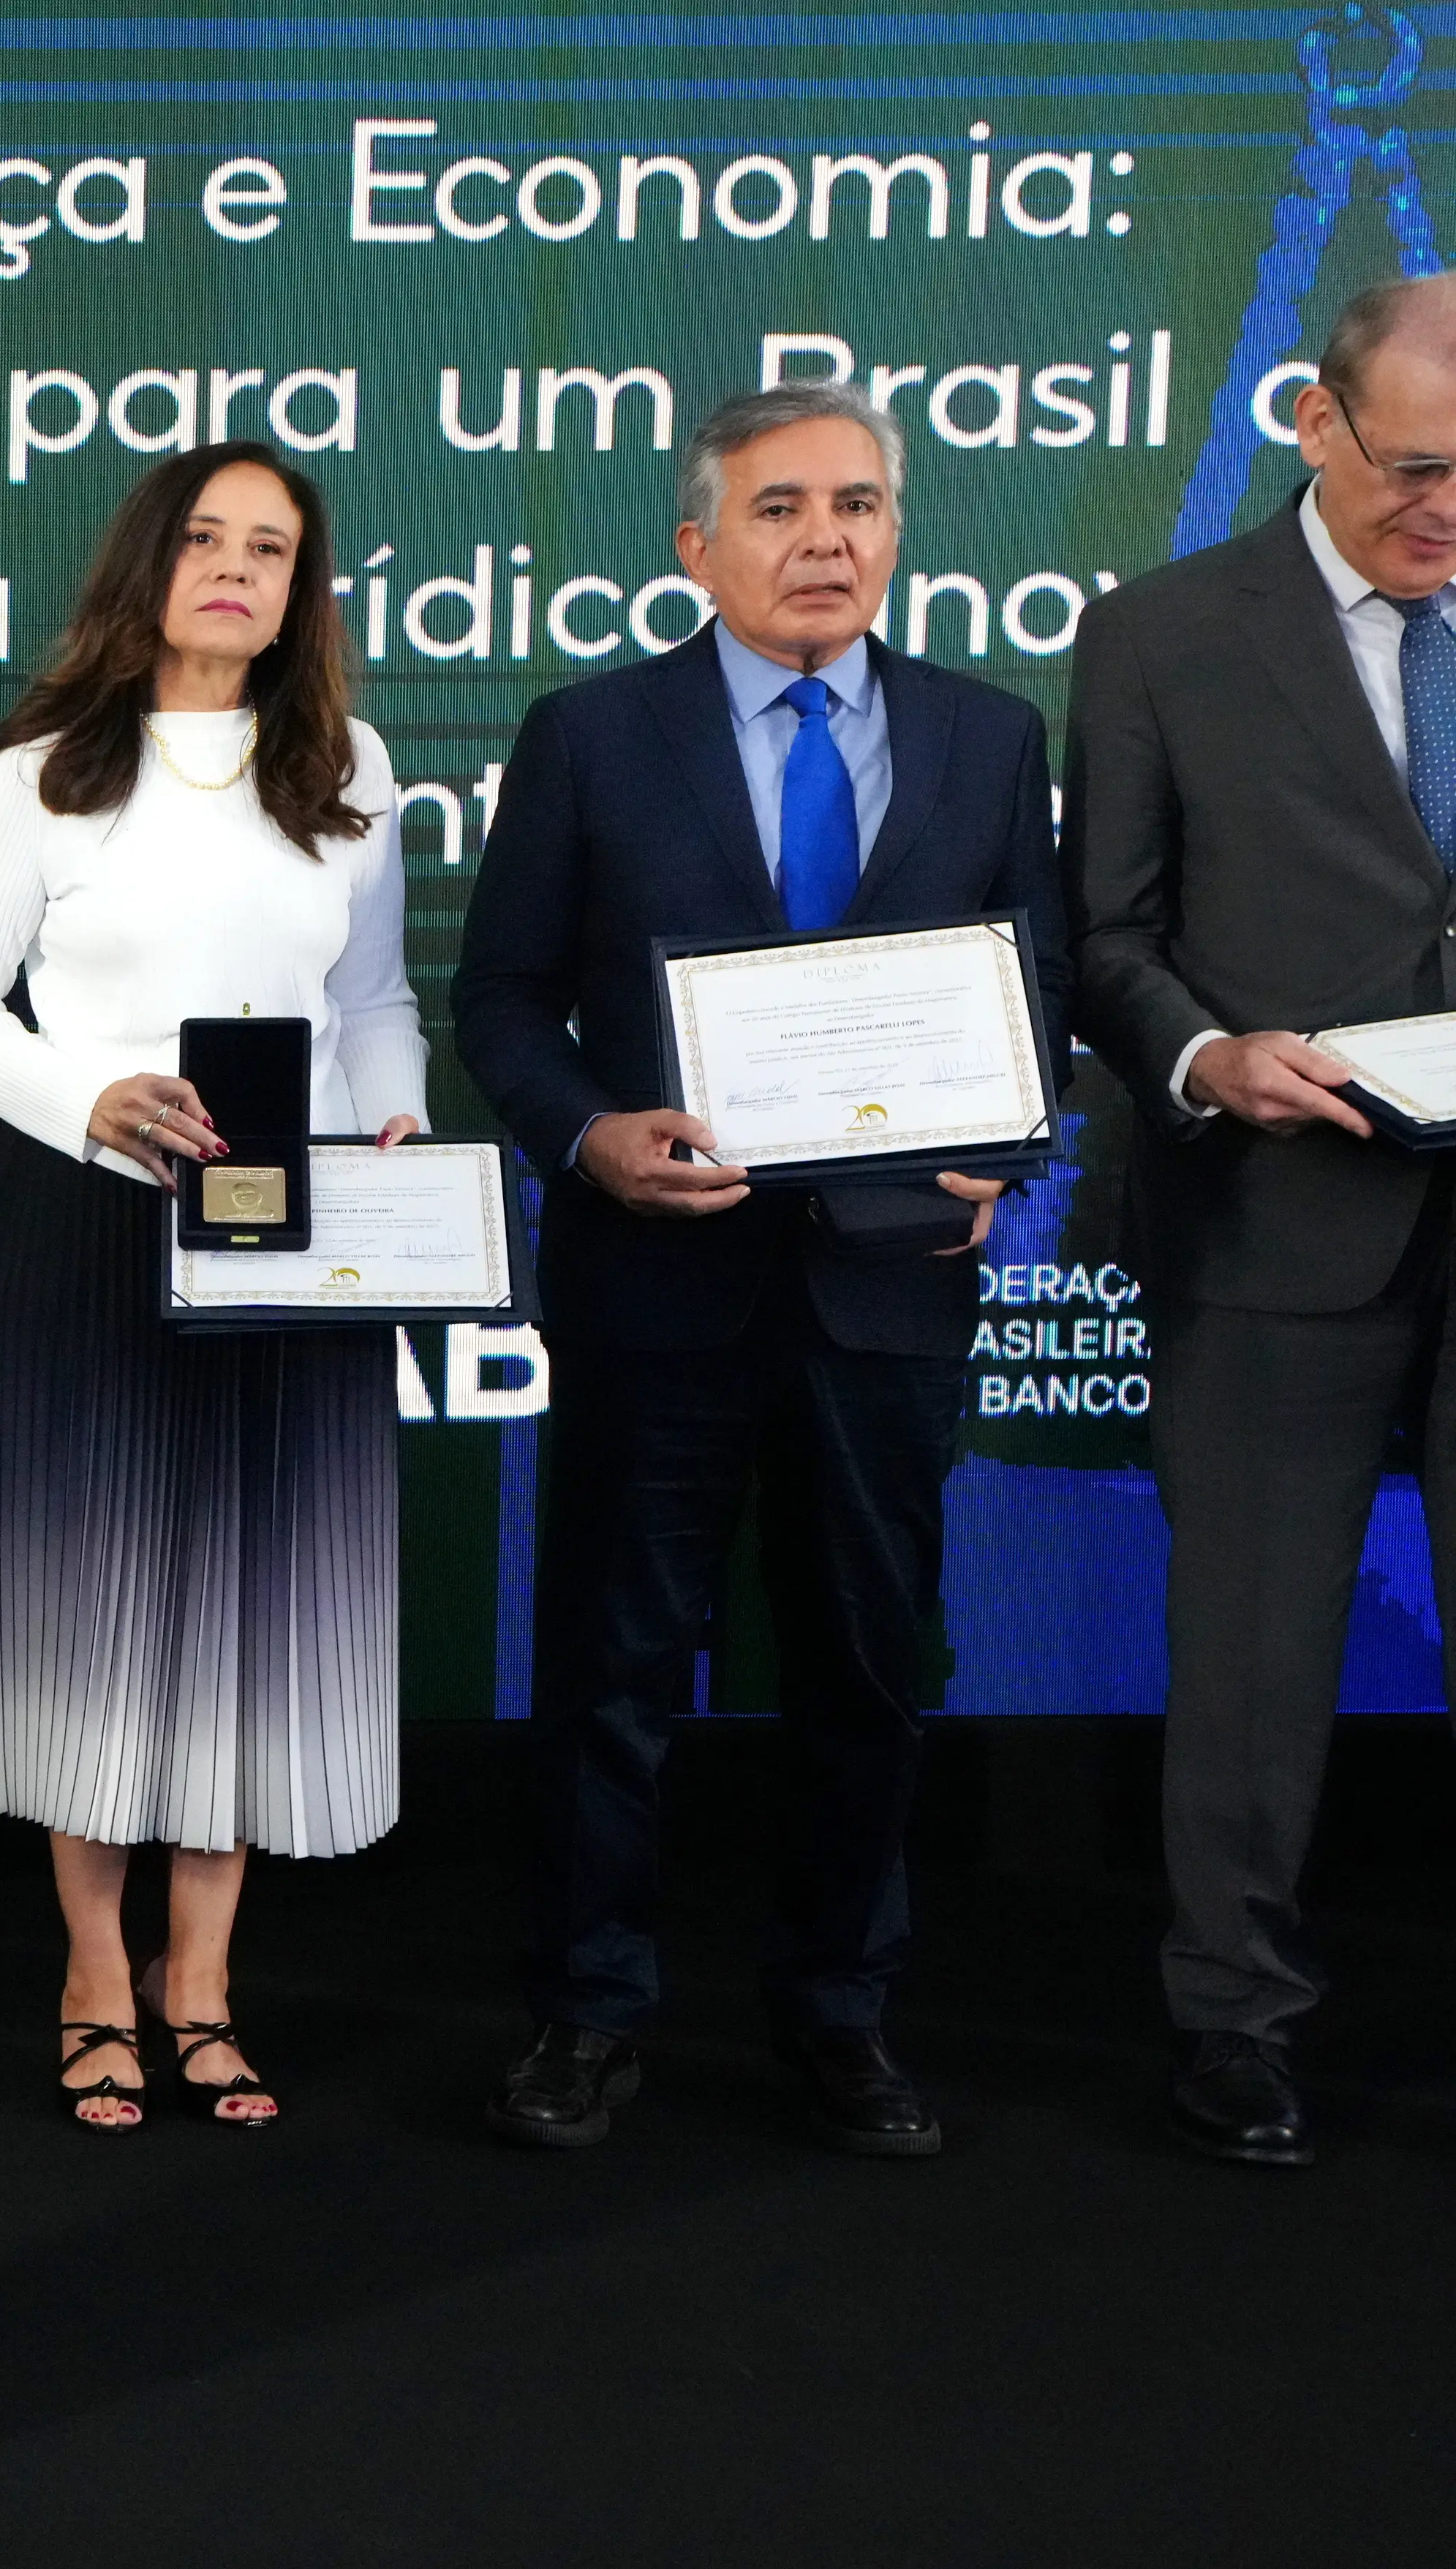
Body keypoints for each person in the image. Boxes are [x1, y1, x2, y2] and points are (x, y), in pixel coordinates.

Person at [453, 379, 1059, 2159]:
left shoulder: (988, 735)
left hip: (888, 1285)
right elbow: (501, 996)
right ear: (696, 545)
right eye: (782, 506)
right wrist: (589, 1132)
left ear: (897, 534)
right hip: (660, 1281)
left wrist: (1009, 1144)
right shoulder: (589, 733)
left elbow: (1033, 992)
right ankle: (586, 2014)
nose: (826, 539)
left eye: (859, 504)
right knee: (616, 1667)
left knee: (869, 1666)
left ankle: (843, 2012)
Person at [0, 440, 415, 2134]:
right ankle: (94, 1977)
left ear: (300, 589)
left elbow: (373, 1004)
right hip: (92, 1222)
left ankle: (204, 1983)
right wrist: (89, 1098)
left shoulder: (349, 772)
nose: (238, 568)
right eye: (207, 537)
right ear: (151, 562)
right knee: (95, 1610)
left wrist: (395, 1120)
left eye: (272, 547)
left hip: (292, 1237)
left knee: (252, 1613)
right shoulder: (43, 775)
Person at [1067, 271, 1456, 2169]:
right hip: (1274, 1215)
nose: (1448, 512)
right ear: (1316, 421)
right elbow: (1103, 936)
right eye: (1421, 468)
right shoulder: (1162, 633)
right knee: (1250, 1659)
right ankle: (1233, 2021)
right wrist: (1207, 1056)